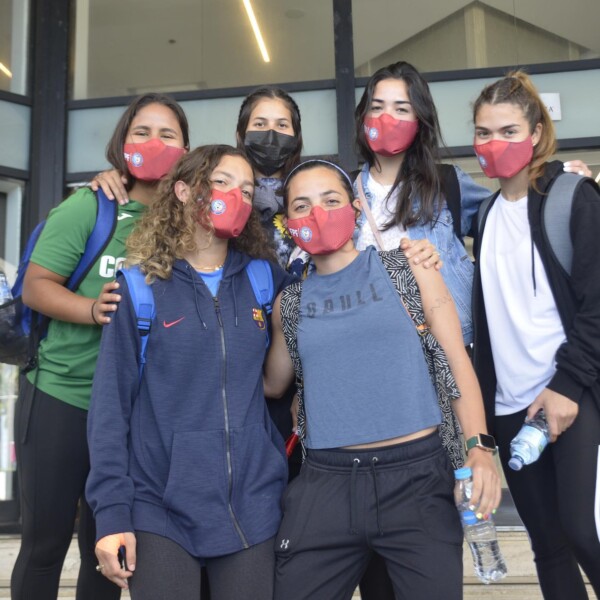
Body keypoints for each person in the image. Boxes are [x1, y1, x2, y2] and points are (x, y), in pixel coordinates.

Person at [264, 159, 502, 600]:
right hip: (326, 484)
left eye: (330, 200)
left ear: (356, 207)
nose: (318, 213)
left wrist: (480, 449)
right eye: (302, 206)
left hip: (417, 480)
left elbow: (456, 362)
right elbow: (271, 384)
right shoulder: (288, 304)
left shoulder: (410, 268)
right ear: (289, 223)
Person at [86, 144, 293, 599]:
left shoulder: (265, 280)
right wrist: (111, 514)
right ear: (183, 191)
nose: (237, 196)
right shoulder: (137, 288)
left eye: (247, 189)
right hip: (159, 508)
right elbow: (110, 410)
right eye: (222, 183)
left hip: (253, 507)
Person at [12, 93, 189, 600]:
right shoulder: (91, 205)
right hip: (65, 396)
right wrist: (91, 309)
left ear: (186, 150)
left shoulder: (185, 224)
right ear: (121, 142)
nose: (153, 143)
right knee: (45, 546)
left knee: (109, 551)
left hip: (133, 414)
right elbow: (36, 287)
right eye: (141, 132)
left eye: (168, 135)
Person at [353, 61, 591, 347]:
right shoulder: (341, 192)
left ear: (419, 119)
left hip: (450, 348)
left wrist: (558, 182)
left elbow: (514, 215)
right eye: (377, 107)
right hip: (372, 345)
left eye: (401, 109)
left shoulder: (447, 183)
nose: (386, 118)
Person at [471, 72, 600, 600]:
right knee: (547, 545)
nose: (494, 144)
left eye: (508, 131)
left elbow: (596, 302)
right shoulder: (484, 215)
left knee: (584, 531)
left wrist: (567, 387)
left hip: (569, 394)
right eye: (483, 133)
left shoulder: (573, 196)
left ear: (537, 133)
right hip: (511, 407)